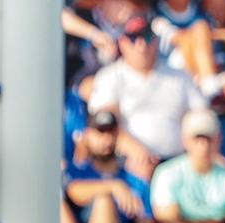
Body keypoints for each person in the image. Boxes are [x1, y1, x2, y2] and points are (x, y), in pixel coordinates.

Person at [88, 16, 208, 176]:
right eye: (133, 39)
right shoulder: (110, 76)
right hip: (128, 164)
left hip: (179, 164)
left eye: (147, 37)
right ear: (122, 43)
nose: (141, 45)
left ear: (156, 41)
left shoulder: (180, 76)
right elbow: (105, 123)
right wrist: (136, 151)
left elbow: (201, 117)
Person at [64, 111, 152, 223]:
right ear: (87, 134)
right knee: (104, 199)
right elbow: (74, 192)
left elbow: (145, 221)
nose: (107, 138)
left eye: (111, 132)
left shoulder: (134, 178)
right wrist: (113, 186)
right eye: (100, 132)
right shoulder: (77, 170)